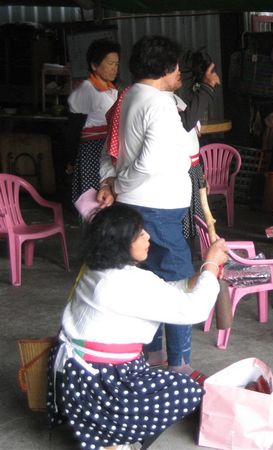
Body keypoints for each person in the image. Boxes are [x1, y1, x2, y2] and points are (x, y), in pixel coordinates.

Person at [47, 204, 228, 450]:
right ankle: (114, 440)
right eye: (140, 233)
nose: (148, 237)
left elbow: (162, 292)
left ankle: (99, 428)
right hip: (102, 382)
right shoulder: (126, 282)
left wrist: (199, 278)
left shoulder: (97, 269)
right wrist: (211, 266)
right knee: (186, 391)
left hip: (75, 377)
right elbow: (193, 310)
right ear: (121, 243)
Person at [97, 35, 203, 378]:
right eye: (177, 67)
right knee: (177, 280)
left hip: (139, 204)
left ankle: (153, 353)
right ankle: (179, 364)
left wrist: (114, 182)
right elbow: (149, 162)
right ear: (167, 68)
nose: (179, 73)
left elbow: (119, 150)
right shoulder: (158, 103)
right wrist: (121, 181)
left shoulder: (129, 96)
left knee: (147, 277)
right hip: (155, 204)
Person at [67, 39, 120, 206]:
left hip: (109, 150)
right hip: (92, 151)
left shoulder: (113, 91)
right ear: (94, 65)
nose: (114, 68)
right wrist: (70, 159)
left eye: (117, 64)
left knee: (110, 201)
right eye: (110, 63)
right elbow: (73, 127)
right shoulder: (86, 91)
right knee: (94, 200)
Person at [178, 51, 221, 241]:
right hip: (181, 168)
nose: (178, 73)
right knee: (183, 221)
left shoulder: (177, 100)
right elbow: (187, 122)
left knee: (195, 219)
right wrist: (206, 87)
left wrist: (200, 170)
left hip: (193, 166)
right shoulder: (161, 103)